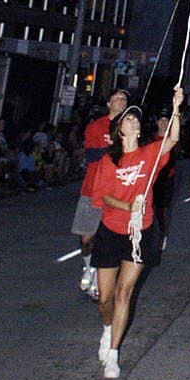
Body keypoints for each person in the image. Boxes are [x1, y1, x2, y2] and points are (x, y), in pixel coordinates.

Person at [90, 88, 183, 380]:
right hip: (111, 229)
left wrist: (177, 107)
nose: (134, 122)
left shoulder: (149, 154)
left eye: (136, 120)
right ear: (119, 129)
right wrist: (128, 205)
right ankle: (107, 329)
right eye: (129, 119)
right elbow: (102, 197)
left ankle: (114, 353)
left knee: (123, 293)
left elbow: (173, 139)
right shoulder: (109, 160)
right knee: (105, 298)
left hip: (139, 232)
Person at [71, 89, 128, 298]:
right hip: (93, 189)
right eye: (117, 99)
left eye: (124, 100)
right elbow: (91, 154)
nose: (121, 102)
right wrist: (112, 148)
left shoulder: (129, 128)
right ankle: (88, 266)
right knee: (86, 238)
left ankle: (97, 278)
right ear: (108, 103)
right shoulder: (97, 126)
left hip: (116, 194)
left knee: (106, 240)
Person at [151, 110, 178, 253]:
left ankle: (162, 236)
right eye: (161, 120)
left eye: (166, 121)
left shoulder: (172, 140)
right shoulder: (150, 139)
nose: (163, 123)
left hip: (165, 179)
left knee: (162, 212)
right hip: (150, 179)